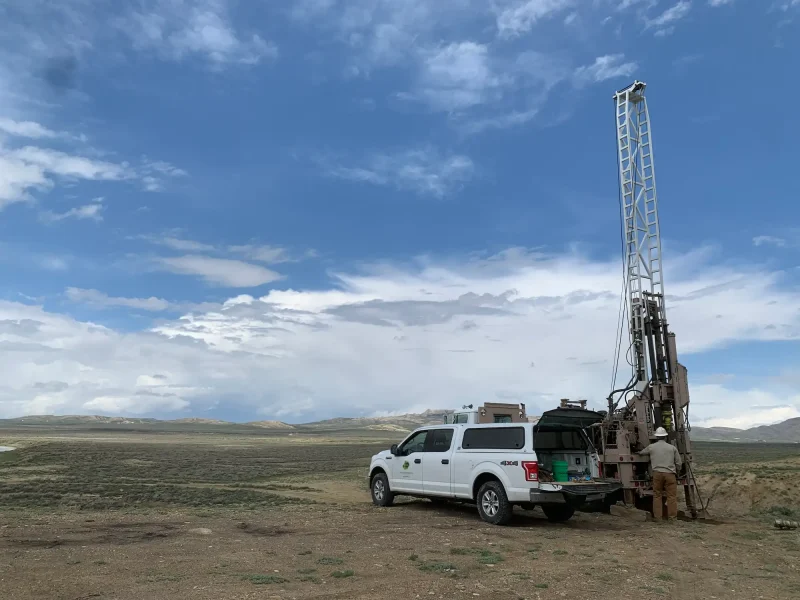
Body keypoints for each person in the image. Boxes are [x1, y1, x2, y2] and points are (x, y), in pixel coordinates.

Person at [639, 427, 683, 521]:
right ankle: (672, 518)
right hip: (670, 474)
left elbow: (642, 453)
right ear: (665, 437)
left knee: (657, 495)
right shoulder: (672, 448)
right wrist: (677, 472)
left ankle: (658, 518)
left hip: (657, 474)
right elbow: (679, 463)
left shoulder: (651, 447)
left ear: (656, 437)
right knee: (671, 496)